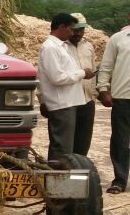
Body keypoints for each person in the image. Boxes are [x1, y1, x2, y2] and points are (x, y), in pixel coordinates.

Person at [38, 13, 93, 160]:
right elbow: (57, 78)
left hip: (68, 102)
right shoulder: (50, 47)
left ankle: (64, 177)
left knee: (67, 147)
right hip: (61, 103)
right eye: (70, 28)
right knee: (62, 148)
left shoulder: (59, 46)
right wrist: (82, 73)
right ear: (62, 27)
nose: (72, 32)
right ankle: (56, 179)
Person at [96, 18, 130, 193]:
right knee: (120, 140)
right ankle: (120, 180)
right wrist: (103, 89)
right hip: (122, 98)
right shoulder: (118, 38)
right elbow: (106, 67)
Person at [69, 13, 97, 155]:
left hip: (87, 100)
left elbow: (93, 71)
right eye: (75, 29)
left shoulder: (88, 46)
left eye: (82, 29)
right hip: (68, 101)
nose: (78, 33)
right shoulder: (60, 46)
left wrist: (95, 94)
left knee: (84, 140)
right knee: (65, 141)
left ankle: (80, 168)